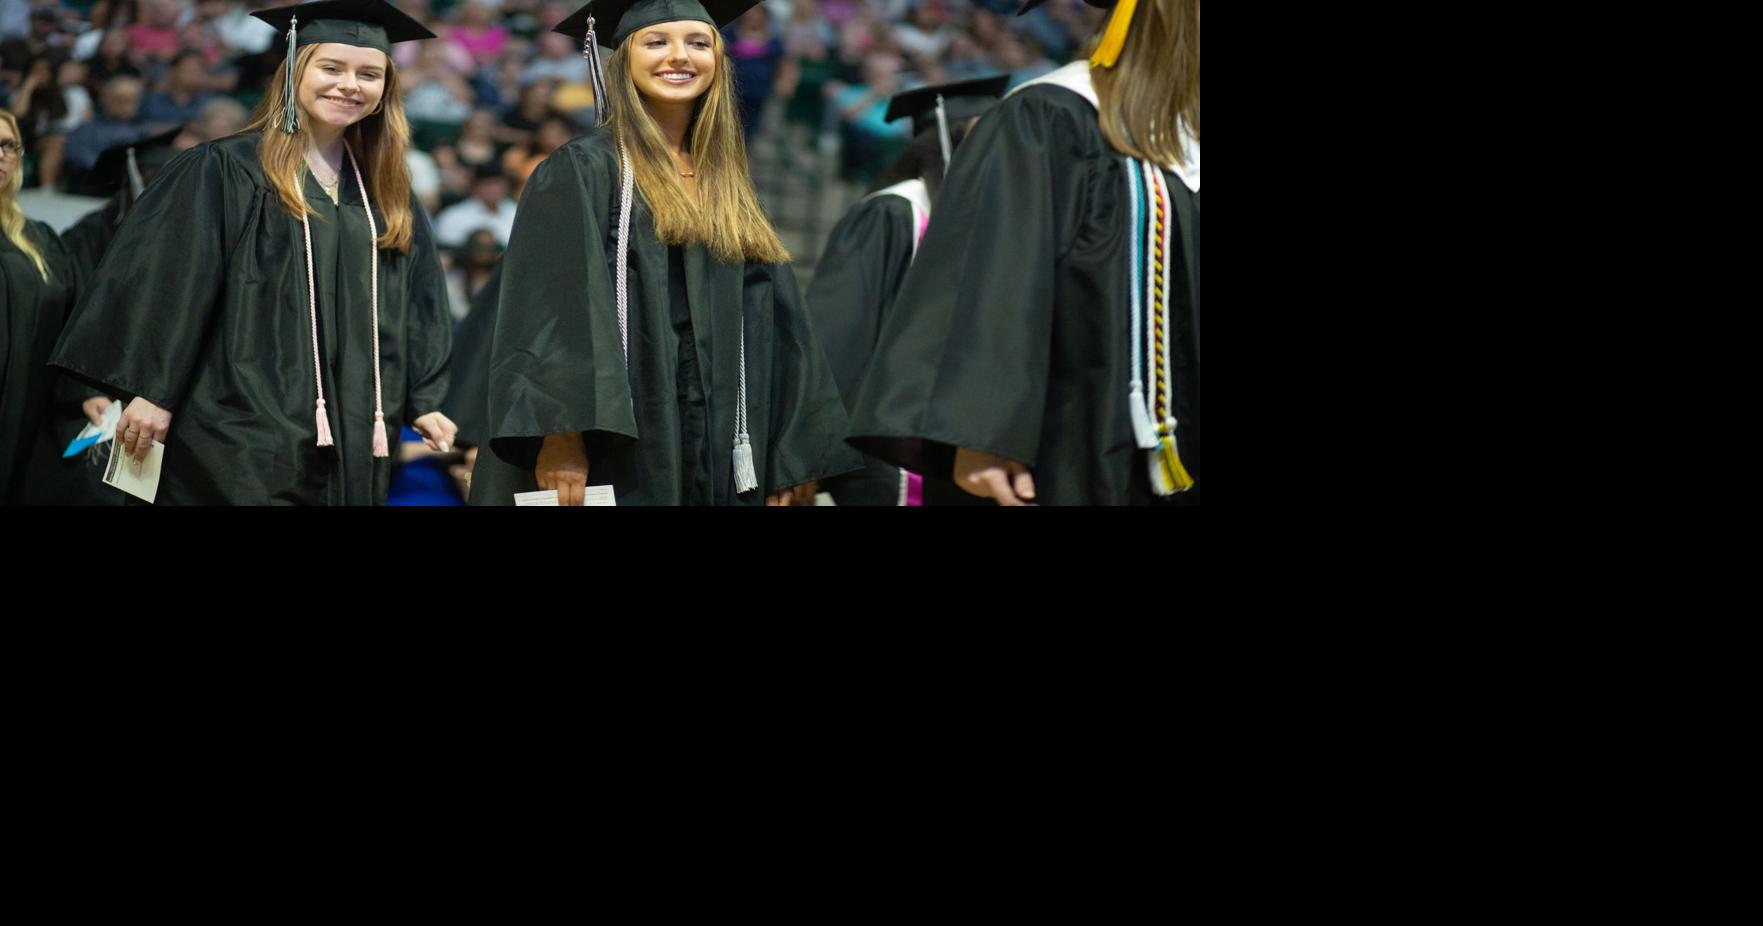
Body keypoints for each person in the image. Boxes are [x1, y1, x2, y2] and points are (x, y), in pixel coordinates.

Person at [49, 0, 458, 505]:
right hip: (237, 415)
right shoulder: (224, 169)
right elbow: (173, 279)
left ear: (384, 91)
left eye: (369, 74)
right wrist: (151, 390)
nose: (350, 84)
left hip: (353, 423)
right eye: (331, 68)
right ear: (293, 72)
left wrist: (425, 398)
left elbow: (417, 301)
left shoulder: (385, 194)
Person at [468, 0, 860, 506]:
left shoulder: (730, 185)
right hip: (622, 434)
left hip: (722, 434)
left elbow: (780, 321)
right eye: (657, 42)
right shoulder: (583, 170)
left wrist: (793, 453)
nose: (680, 56)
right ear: (622, 60)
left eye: (697, 43)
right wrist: (561, 435)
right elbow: (551, 312)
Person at [845, 0, 1200, 505]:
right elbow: (1000, 280)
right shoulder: (1055, 115)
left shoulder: (1184, 146)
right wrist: (979, 429)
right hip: (1085, 456)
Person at [806, 74, 1007, 506]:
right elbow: (836, 336)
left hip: (954, 441)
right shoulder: (894, 212)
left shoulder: (978, 226)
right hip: (889, 447)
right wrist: (808, 451)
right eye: (985, 134)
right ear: (947, 141)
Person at [0, 108, 78, 505]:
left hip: (23, 410)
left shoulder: (39, 240)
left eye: (7, 145)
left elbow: (71, 318)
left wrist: (85, 391)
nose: (0, 155)